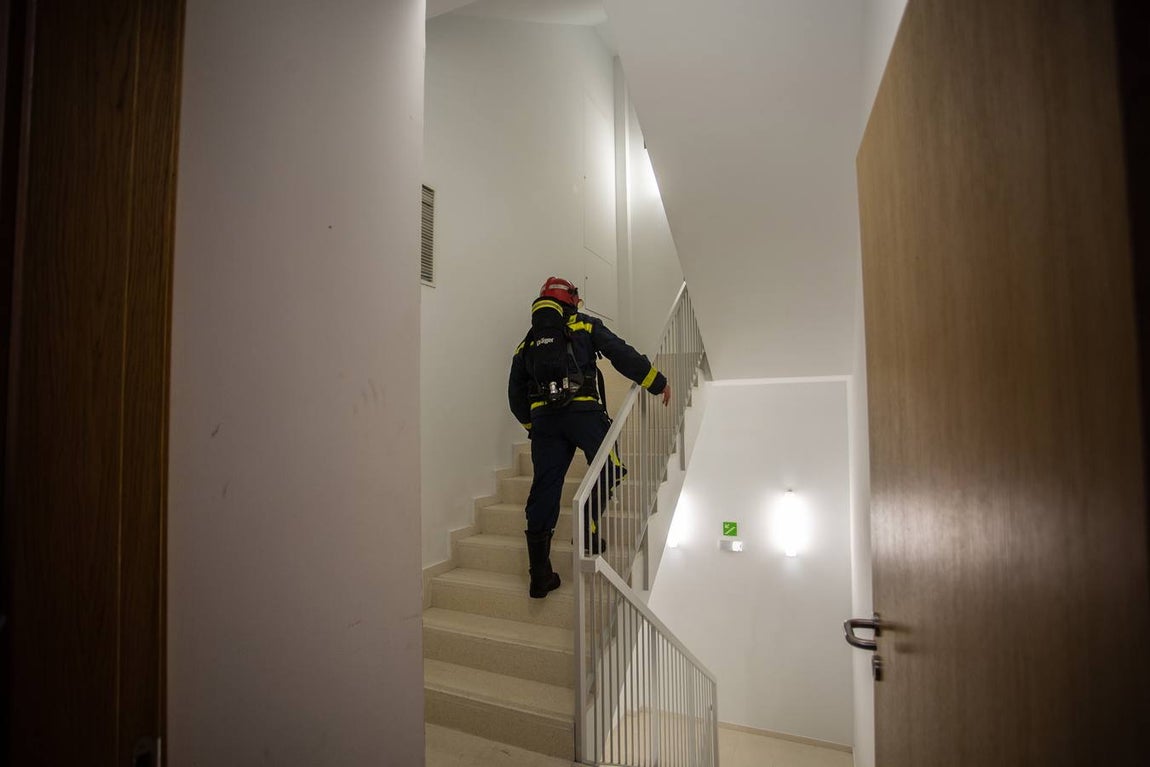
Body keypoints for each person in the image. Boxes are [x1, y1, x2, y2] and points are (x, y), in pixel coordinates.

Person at [508, 277, 671, 598]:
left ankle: (539, 575)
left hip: (544, 421)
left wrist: (531, 425)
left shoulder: (527, 342)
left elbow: (514, 392)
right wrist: (656, 380)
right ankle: (587, 528)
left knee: (544, 488)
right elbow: (619, 353)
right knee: (610, 467)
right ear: (573, 299)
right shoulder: (584, 325)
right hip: (583, 413)